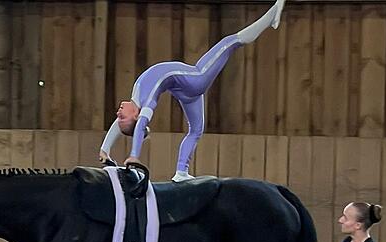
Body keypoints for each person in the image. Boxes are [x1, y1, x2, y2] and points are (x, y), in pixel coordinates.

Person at [99, 0, 286, 182]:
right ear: (136, 115)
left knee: (196, 130)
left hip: (185, 92)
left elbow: (121, 124)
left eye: (118, 115)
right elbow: (140, 125)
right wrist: (134, 155)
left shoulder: (135, 99)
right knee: (230, 42)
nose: (118, 113)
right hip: (197, 77)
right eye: (122, 117)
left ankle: (181, 172)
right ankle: (269, 18)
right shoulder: (147, 101)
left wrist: (105, 149)